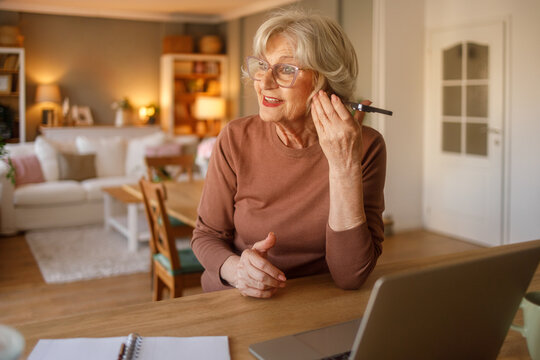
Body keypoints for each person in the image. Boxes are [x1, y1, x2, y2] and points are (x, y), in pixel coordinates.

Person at [191, 8, 386, 298]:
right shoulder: (235, 137)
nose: (264, 82)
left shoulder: (366, 147)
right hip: (236, 296)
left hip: (316, 302)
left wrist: (344, 166)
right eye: (262, 65)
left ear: (325, 82)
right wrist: (238, 270)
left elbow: (350, 275)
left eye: (285, 69)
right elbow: (206, 236)